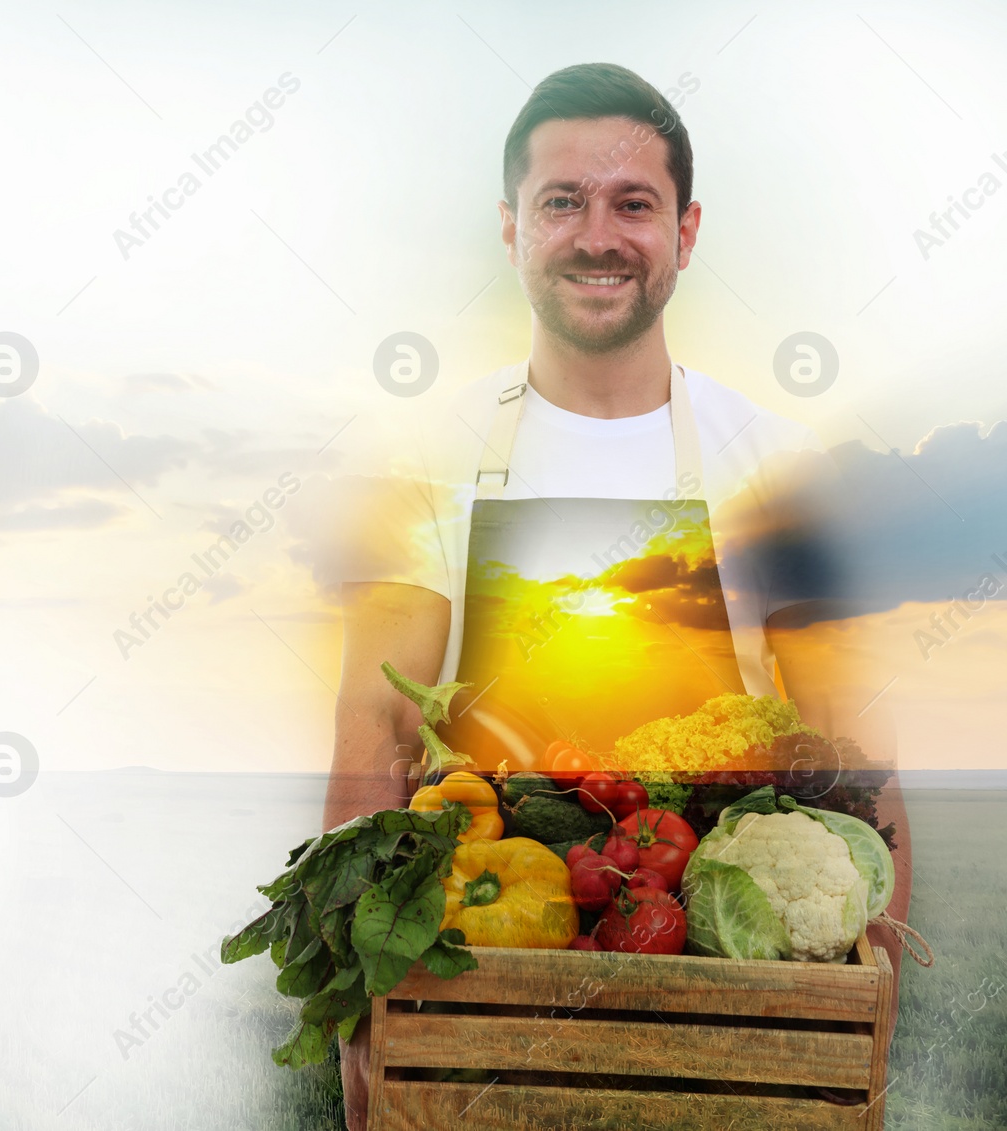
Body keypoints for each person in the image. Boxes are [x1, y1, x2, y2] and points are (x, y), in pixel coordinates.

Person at [322, 62, 912, 1130]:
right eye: (562, 203)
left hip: (726, 1001)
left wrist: (865, 1018)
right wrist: (365, 1015)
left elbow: (851, 748)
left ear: (685, 231)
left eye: (632, 204)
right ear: (510, 229)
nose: (598, 235)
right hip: (484, 988)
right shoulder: (422, 452)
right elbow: (376, 730)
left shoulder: (784, 465)